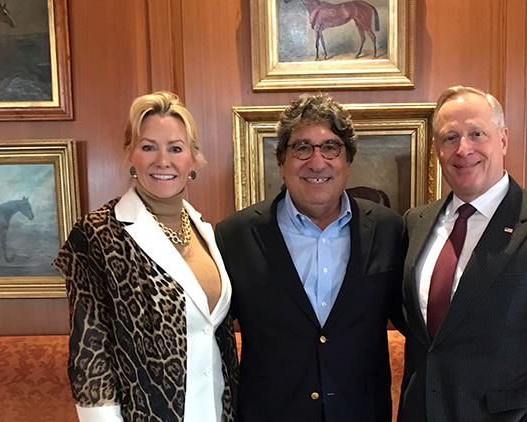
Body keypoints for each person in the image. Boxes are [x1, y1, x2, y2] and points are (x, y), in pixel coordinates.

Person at [398, 86, 527, 422]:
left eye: (476, 133)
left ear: (503, 139)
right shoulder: (416, 222)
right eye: (449, 137)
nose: (463, 149)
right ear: (436, 149)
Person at [215, 93, 405, 422]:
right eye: (302, 147)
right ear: (282, 161)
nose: (317, 162)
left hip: (360, 413)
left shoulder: (389, 229)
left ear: (348, 161)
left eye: (330, 147)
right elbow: (212, 337)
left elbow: (415, 322)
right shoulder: (235, 235)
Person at [53, 91, 237, 422]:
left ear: (192, 160)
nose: (162, 161)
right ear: (130, 155)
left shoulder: (205, 231)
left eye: (176, 148)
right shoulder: (97, 234)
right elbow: (89, 351)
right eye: (148, 146)